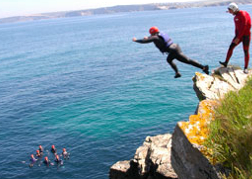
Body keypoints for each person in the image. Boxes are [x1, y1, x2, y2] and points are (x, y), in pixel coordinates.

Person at [133, 26, 209, 78]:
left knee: (173, 60)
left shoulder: (154, 37)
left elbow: (144, 41)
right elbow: (153, 38)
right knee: (187, 60)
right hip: (175, 47)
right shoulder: (160, 34)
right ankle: (203, 67)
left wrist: (136, 40)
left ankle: (178, 73)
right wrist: (149, 37)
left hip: (172, 51)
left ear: (152, 33)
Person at [219, 2, 251, 74]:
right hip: (239, 36)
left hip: (246, 36)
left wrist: (238, 37)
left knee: (245, 51)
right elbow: (237, 28)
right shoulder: (235, 17)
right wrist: (236, 36)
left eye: (230, 10)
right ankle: (226, 62)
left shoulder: (243, 14)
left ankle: (245, 68)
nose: (230, 12)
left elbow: (245, 26)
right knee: (231, 47)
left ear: (234, 9)